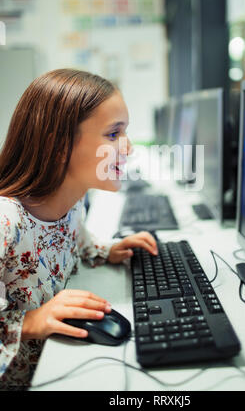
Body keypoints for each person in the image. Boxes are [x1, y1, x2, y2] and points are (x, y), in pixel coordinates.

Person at [0, 69, 158, 390]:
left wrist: (107, 250)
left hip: (55, 366)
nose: (128, 148)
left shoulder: (72, 199)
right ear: (59, 145)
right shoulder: (6, 222)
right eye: (114, 135)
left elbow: (74, 240)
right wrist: (29, 322)